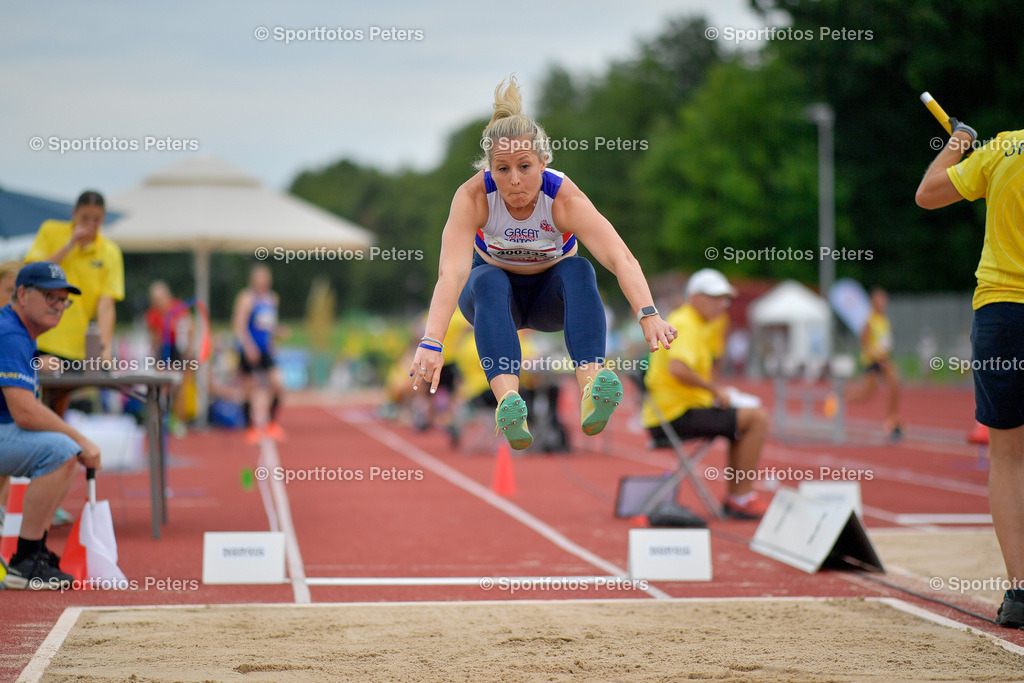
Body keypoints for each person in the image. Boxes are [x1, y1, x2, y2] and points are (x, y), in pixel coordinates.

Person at [409, 77, 676, 450]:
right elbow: (451, 274)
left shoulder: (563, 199)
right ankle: (509, 402)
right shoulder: (473, 197)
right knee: (486, 277)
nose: (515, 181)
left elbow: (620, 256)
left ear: (543, 162)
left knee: (579, 269)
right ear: (489, 169)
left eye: (525, 167)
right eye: (502, 170)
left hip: (550, 300)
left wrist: (648, 313)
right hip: (493, 302)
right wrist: (432, 341)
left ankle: (591, 388)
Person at [916, 117, 1024, 628]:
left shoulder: (1003, 150)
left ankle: (1020, 591)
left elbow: (928, 194)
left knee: (1008, 455)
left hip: (1003, 311)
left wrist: (957, 144)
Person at [0, 262, 102, 589]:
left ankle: (33, 553)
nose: (57, 306)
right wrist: (81, 439)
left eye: (63, 301)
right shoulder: (12, 333)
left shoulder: (16, 332)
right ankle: (26, 561)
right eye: (49, 297)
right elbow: (25, 413)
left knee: (59, 446)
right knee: (62, 451)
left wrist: (33, 361)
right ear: (21, 294)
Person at [642, 269, 769, 520]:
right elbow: (677, 369)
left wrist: (718, 393)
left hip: (680, 409)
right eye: (715, 298)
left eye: (725, 298)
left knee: (743, 418)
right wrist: (716, 391)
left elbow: (711, 364)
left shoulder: (699, 322)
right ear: (695, 297)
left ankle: (738, 497)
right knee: (757, 418)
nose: (722, 304)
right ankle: (740, 498)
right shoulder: (686, 323)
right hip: (674, 414)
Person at [24, 190, 125, 416]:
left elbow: (106, 304)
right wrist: (69, 245)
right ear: (74, 214)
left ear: (103, 218)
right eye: (84, 218)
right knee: (31, 405)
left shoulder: (109, 251)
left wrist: (105, 348)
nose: (90, 224)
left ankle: (57, 447)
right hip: (42, 339)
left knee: (58, 410)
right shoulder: (51, 230)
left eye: (96, 219)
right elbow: (32, 273)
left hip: (77, 346)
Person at [232, 264, 286, 443]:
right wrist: (248, 347)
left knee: (277, 384)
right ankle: (249, 427)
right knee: (249, 389)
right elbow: (239, 325)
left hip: (265, 350)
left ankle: (271, 424)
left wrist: (278, 334)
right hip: (250, 350)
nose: (263, 281)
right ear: (253, 279)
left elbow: (268, 326)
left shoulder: (272, 299)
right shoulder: (247, 298)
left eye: (265, 277)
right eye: (259, 277)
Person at [840, 287, 902, 441]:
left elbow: (885, 343)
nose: (882, 303)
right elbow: (865, 343)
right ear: (873, 302)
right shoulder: (869, 321)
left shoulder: (885, 320)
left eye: (884, 300)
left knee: (895, 385)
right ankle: (840, 399)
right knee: (865, 395)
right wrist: (877, 357)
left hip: (884, 360)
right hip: (872, 362)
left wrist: (885, 358)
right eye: (879, 300)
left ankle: (891, 420)